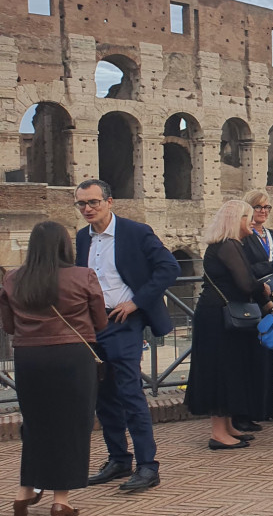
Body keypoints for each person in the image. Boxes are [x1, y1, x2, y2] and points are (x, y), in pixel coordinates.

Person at [74, 179, 178, 492]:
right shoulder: (81, 238)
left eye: (93, 202)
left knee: (130, 393)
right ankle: (119, 459)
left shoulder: (135, 232)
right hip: (92, 325)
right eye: (81, 204)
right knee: (103, 397)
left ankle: (148, 466)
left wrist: (136, 301)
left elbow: (169, 268)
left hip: (124, 322)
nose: (88, 209)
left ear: (110, 201)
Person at [1, 222, 108, 516]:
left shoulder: (13, 278)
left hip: (29, 357)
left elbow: (8, 326)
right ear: (65, 245)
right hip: (73, 356)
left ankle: (24, 493)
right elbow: (100, 322)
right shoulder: (82, 275)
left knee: (36, 424)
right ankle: (61, 500)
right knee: (73, 425)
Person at [184, 201, 271, 450]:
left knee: (231, 368)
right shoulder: (227, 246)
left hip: (223, 314)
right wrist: (262, 288)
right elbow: (245, 282)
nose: (253, 221)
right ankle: (218, 433)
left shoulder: (230, 245)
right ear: (236, 221)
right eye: (248, 217)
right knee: (220, 370)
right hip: (218, 318)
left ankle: (228, 425)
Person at [238, 189, 273, 431]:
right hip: (253, 301)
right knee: (251, 356)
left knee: (270, 355)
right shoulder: (243, 236)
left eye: (267, 208)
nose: (263, 211)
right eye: (259, 207)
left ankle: (269, 406)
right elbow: (245, 269)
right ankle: (250, 410)